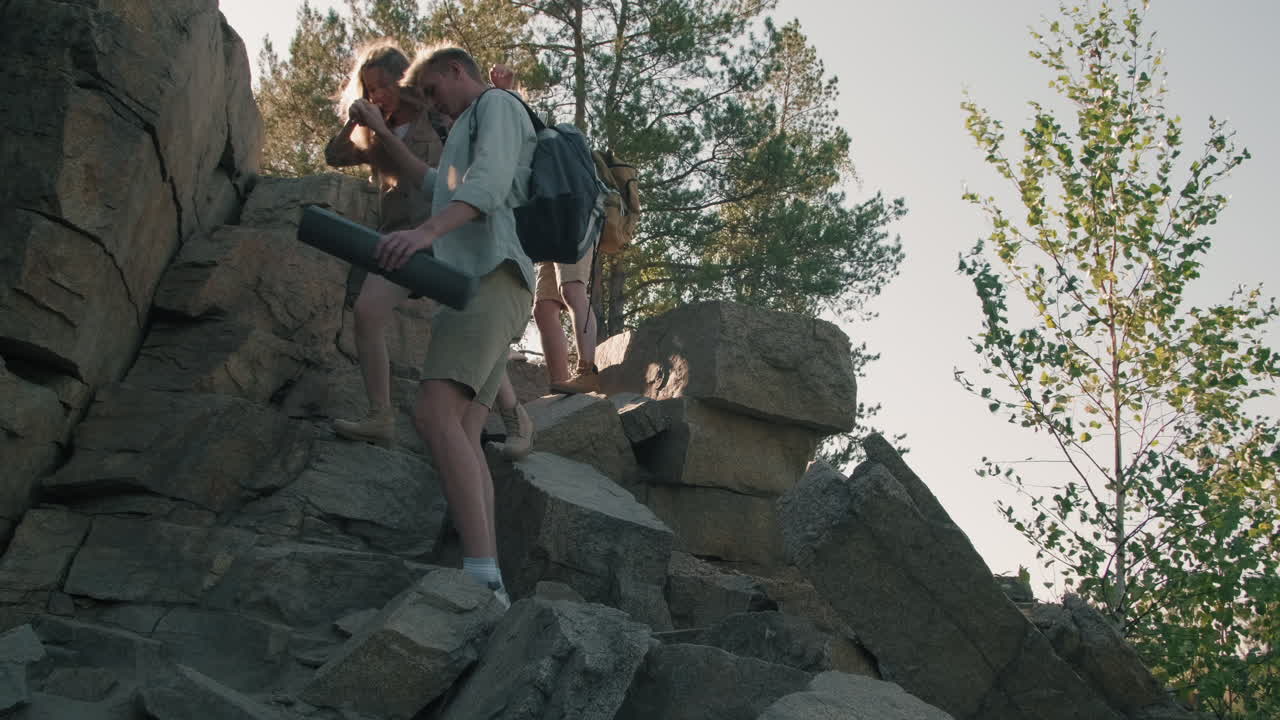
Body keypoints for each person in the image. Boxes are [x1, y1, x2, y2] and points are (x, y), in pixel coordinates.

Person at [357, 47, 538, 605]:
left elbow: (485, 187)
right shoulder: (467, 126)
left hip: (490, 279)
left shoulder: (498, 105)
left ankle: (482, 577)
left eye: (433, 92)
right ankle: (490, 577)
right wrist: (383, 137)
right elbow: (438, 180)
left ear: (455, 72)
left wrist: (423, 236)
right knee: (461, 430)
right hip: (479, 285)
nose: (431, 107)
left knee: (435, 413)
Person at [328, 43, 532, 459]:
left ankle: (513, 414)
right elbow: (334, 156)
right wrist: (357, 122)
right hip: (402, 234)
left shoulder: (443, 117)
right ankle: (380, 414)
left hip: (444, 234)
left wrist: (433, 229)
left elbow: (478, 177)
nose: (378, 95)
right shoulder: (375, 127)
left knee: (473, 335)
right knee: (368, 310)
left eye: (385, 85)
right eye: (369, 90)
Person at [487, 66, 600, 395]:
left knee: (573, 291)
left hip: (575, 215)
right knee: (544, 307)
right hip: (549, 220)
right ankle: (559, 381)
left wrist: (506, 91)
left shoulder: (547, 147)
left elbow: (526, 124)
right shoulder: (530, 154)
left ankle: (588, 370)